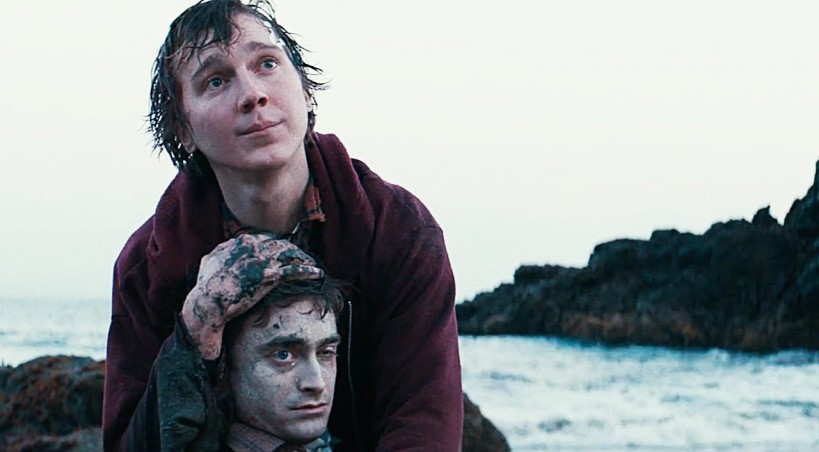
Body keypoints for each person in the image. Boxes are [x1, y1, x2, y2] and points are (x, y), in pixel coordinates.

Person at [103, 1, 463, 451]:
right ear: (183, 130)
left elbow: (424, 424)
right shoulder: (149, 266)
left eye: (267, 64)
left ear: (306, 90)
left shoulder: (397, 230)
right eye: (216, 80)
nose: (252, 94)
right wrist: (193, 335)